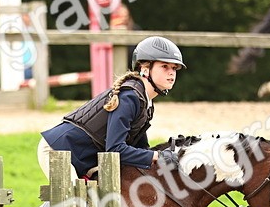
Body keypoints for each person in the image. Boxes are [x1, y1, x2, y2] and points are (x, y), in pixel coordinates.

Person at [38, 35, 184, 180]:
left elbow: (141, 150)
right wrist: (159, 156)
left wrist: (169, 150)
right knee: (75, 202)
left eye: (174, 68)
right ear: (145, 69)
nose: (171, 72)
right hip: (57, 151)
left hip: (82, 158)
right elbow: (115, 149)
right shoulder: (129, 98)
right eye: (164, 66)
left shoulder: (145, 103)